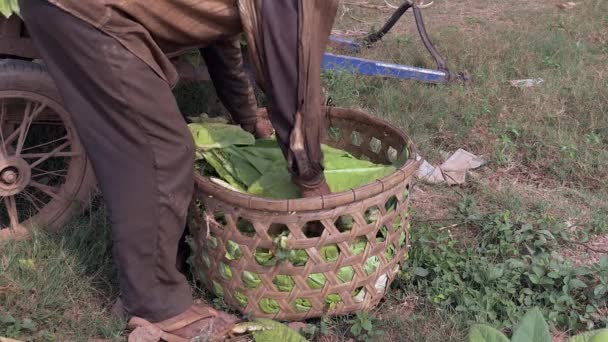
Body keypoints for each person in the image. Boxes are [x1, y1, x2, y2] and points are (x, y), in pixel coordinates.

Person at [18, 0, 338, 340]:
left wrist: (246, 117)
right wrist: (311, 178)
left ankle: (152, 281)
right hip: (88, 12)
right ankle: (155, 306)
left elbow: (220, 39)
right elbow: (293, 72)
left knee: (138, 145)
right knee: (161, 151)